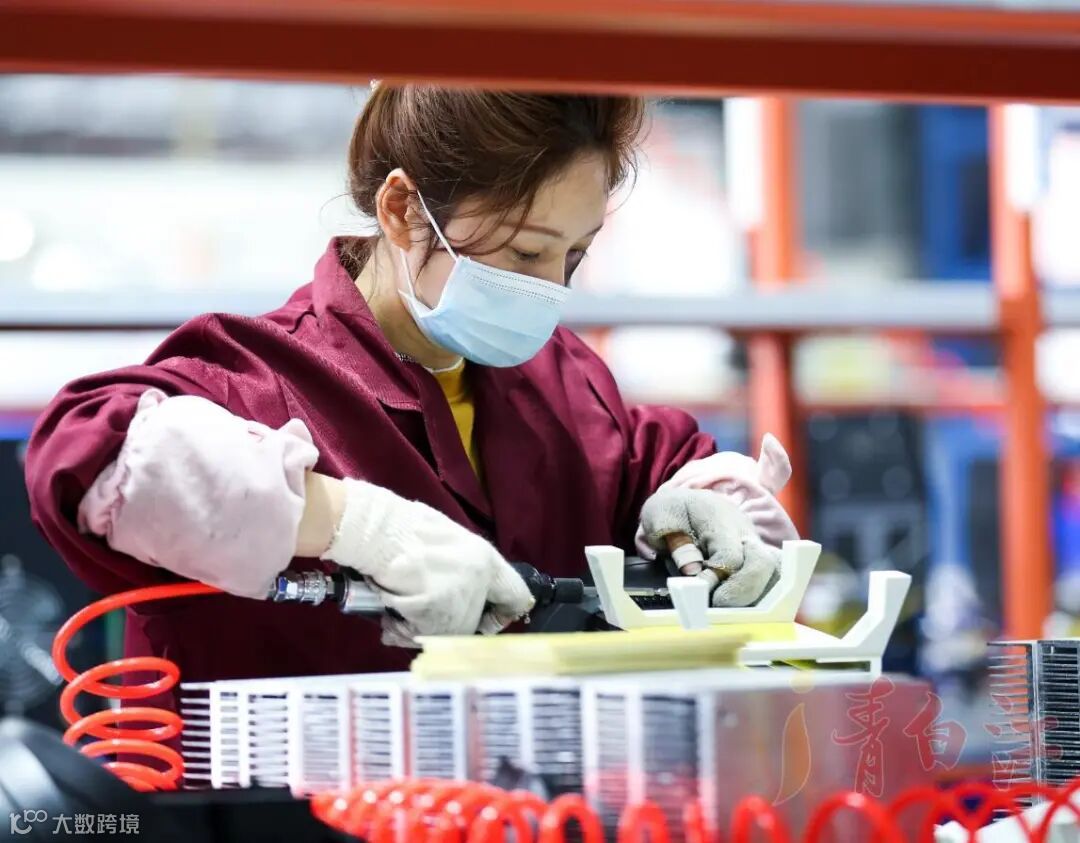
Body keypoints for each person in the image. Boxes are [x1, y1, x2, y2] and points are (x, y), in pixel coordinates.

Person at [23, 86, 797, 703]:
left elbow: (656, 462)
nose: (549, 290)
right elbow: (86, 451)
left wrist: (708, 505)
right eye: (525, 251)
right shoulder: (258, 378)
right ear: (401, 212)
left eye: (573, 255)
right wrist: (352, 524)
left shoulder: (561, 381)